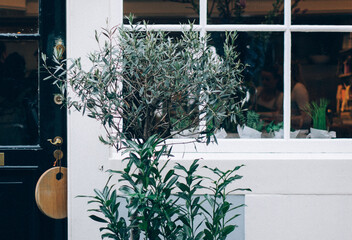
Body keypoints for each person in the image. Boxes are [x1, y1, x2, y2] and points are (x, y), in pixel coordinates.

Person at [291, 61, 310, 129]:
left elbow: (306, 116)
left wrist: (287, 120)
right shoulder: (291, 88)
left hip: (298, 132)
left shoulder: (299, 88)